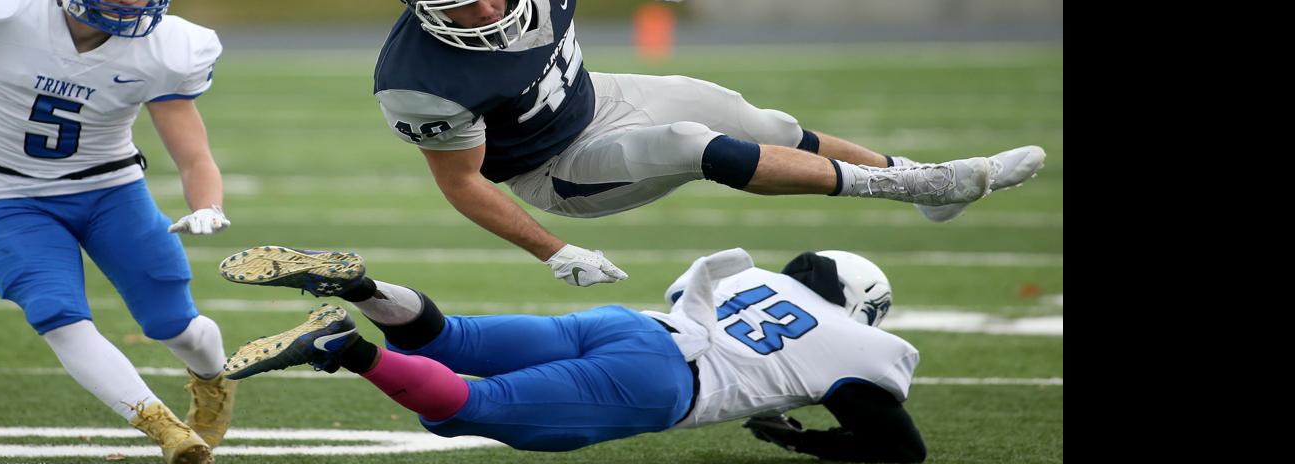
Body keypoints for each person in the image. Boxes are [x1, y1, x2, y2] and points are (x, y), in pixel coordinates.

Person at [376, 0, 1046, 287]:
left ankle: (926, 190)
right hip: (554, 166)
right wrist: (554, 251)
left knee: (768, 126)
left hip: (598, 93)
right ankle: (922, 185)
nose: (487, 12)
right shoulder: (420, 82)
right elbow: (462, 181)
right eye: (461, 6)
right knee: (690, 142)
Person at [215, 244, 928, 463]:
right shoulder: (864, 344)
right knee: (468, 409)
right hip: (660, 378)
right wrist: (802, 438)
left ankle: (362, 286)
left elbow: (697, 295)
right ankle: (345, 347)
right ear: (861, 303)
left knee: (447, 338)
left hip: (623, 325)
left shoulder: (755, 277)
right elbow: (900, 447)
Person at [0, 0, 235, 464]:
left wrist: (208, 205)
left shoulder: (169, 48)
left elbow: (194, 155)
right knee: (56, 313)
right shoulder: (3, 15)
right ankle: (163, 427)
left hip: (111, 191)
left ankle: (213, 378)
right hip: (9, 194)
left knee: (174, 324)